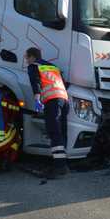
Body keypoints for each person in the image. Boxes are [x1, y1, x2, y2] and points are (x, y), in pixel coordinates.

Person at [26, 47, 70, 177]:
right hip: (64, 100)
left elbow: (36, 83)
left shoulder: (33, 66)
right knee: (62, 132)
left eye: (27, 57)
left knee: (53, 132)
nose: (26, 60)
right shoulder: (53, 67)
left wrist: (37, 99)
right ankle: (63, 164)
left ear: (33, 57)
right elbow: (64, 83)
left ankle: (59, 167)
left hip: (52, 102)